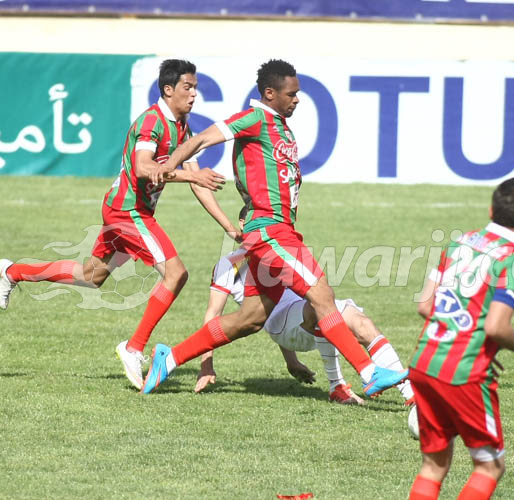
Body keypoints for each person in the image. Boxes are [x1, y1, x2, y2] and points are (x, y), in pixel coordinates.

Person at [139, 59, 408, 397]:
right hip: (269, 230)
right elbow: (202, 140)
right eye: (291, 94)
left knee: (249, 319)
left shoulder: (281, 126)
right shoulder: (254, 118)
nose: (297, 100)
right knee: (322, 294)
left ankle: (170, 358)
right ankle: (369, 372)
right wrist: (170, 167)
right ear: (270, 93)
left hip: (276, 230)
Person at [0, 59, 237, 390]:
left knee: (90, 276)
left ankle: (14, 271)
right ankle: (134, 348)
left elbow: (198, 183)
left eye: (195, 88)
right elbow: (142, 168)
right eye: (187, 87)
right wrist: (191, 173)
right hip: (127, 212)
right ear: (168, 90)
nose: (194, 94)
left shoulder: (182, 126)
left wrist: (228, 226)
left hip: (127, 211)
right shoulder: (152, 122)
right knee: (177, 273)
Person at [407, 177, 514, 500]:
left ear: (490, 210)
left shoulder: (458, 242)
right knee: (489, 466)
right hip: (462, 372)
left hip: (424, 361)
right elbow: (496, 327)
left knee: (433, 466)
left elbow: (425, 305)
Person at [194, 204, 416, 406]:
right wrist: (206, 364)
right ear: (244, 224)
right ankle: (338, 386)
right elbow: (215, 314)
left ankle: (412, 396)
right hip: (284, 326)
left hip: (301, 314)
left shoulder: (279, 246)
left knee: (362, 323)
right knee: (318, 306)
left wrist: (291, 362)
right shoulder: (228, 264)